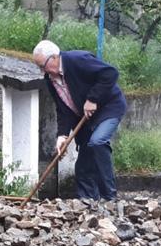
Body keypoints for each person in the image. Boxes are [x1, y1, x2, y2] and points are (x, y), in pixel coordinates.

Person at [32, 40, 127, 202]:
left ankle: (110, 197)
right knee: (83, 164)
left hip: (108, 109)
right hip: (84, 118)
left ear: (54, 57)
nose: (42, 71)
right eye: (39, 67)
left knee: (97, 142)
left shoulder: (78, 60)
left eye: (43, 66)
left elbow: (110, 73)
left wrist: (93, 99)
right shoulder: (51, 79)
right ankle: (88, 202)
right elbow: (63, 109)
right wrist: (62, 135)